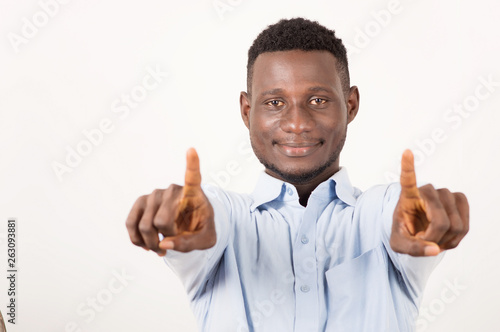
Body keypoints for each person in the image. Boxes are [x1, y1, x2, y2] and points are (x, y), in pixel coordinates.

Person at [125, 17, 469, 332]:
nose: (297, 124)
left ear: (350, 106)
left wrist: (426, 218)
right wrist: (180, 218)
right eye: (274, 103)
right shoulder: (224, 219)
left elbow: (395, 212)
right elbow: (209, 215)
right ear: (247, 111)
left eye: (318, 100)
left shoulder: (380, 213)